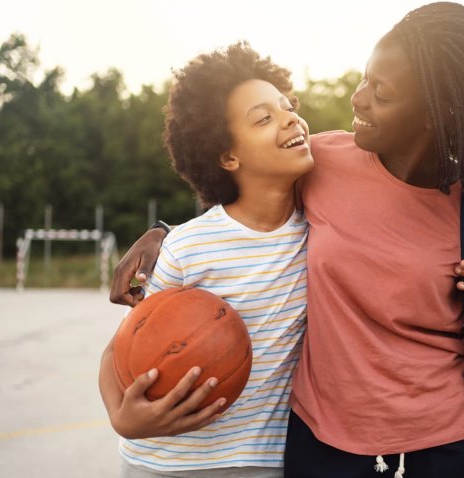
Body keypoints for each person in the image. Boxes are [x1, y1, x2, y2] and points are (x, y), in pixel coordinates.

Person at [110, 3, 464, 477]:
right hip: (324, 441)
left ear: (435, 112)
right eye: (365, 78)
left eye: (380, 92)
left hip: (442, 443)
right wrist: (165, 233)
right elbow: (247, 194)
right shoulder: (324, 161)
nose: (358, 98)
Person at [99, 42, 314, 477]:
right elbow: (120, 349)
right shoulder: (188, 247)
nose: (290, 116)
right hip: (163, 463)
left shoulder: (323, 231)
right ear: (228, 156)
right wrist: (121, 415)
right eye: (263, 117)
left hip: (261, 462)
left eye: (287, 105)